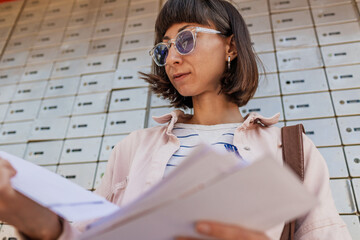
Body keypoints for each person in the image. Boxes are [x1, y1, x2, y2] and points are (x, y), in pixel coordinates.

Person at [0, 0, 352, 239]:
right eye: (164, 48)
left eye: (186, 39)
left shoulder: (292, 149)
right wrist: (40, 223)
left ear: (230, 47)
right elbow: (89, 232)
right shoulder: (133, 148)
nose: (171, 58)